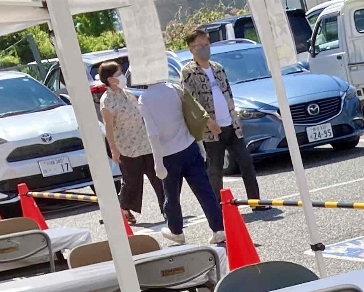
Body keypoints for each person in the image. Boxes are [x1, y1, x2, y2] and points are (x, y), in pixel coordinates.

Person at [134, 75, 224, 246]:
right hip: (189, 147)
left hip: (168, 155)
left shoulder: (144, 99)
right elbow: (190, 118)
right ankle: (218, 229)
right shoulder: (175, 88)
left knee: (172, 196)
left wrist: (157, 161)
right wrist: (200, 145)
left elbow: (152, 133)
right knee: (205, 191)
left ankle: (176, 231)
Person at [179, 28, 260, 205]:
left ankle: (255, 201)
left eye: (206, 44)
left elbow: (228, 94)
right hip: (212, 130)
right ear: (191, 49)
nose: (205, 48)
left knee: (246, 162)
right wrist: (207, 121)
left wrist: (235, 117)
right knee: (215, 169)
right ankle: (217, 207)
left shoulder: (218, 68)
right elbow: (189, 100)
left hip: (231, 124)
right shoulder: (188, 72)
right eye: (200, 46)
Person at [97, 62, 164, 225]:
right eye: (119, 74)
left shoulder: (127, 93)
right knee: (132, 181)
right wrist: (113, 149)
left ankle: (167, 209)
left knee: (158, 177)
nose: (122, 76)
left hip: (145, 142)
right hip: (126, 147)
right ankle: (124, 207)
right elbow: (108, 127)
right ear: (110, 79)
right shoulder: (107, 101)